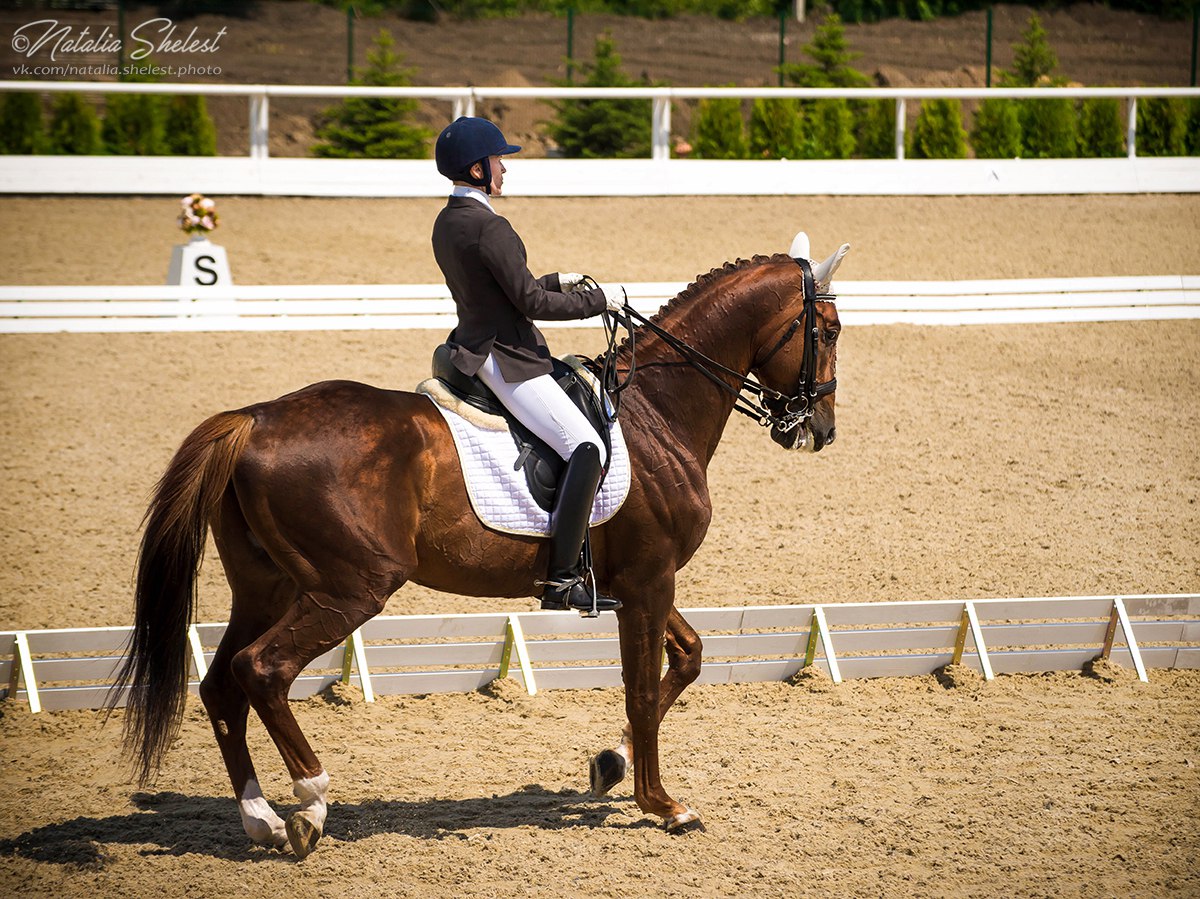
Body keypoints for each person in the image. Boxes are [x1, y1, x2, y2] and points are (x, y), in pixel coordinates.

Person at [430, 116, 623, 614]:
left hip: (473, 342)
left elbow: (501, 287)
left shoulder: (449, 220)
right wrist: (598, 301)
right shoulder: (490, 226)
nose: (504, 169)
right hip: (508, 357)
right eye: (498, 161)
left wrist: (558, 279)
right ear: (477, 169)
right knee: (586, 444)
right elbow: (529, 303)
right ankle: (562, 580)